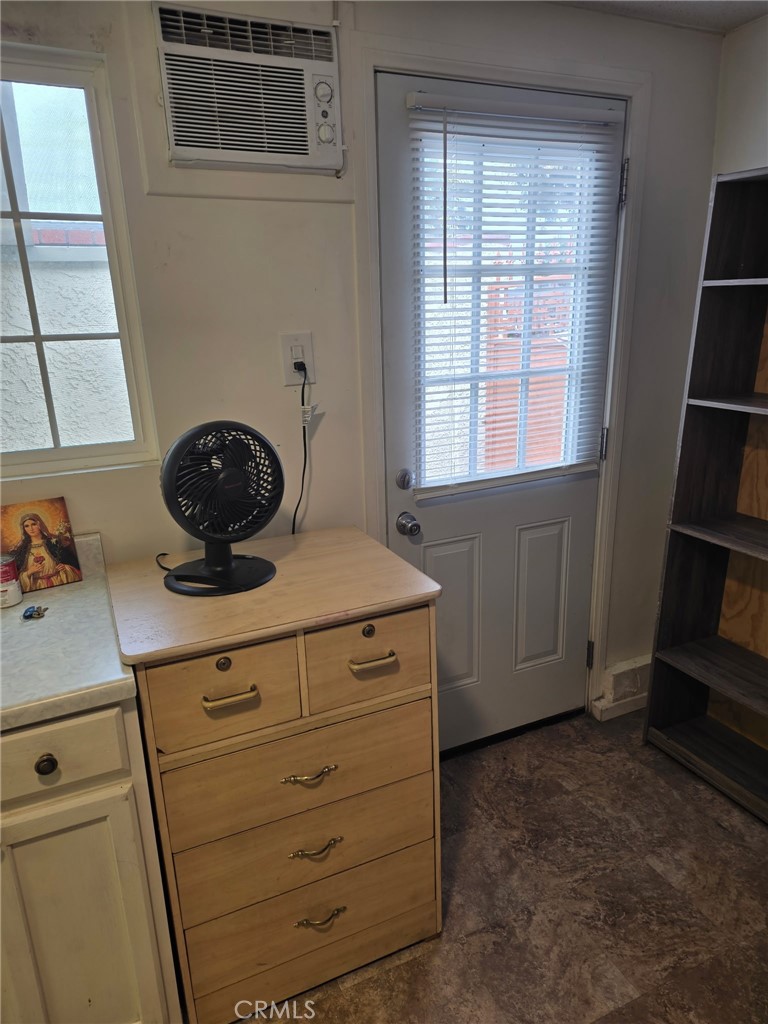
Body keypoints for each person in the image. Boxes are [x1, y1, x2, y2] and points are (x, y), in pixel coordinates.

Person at [11, 512, 82, 592]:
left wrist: (64, 567)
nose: (31, 528)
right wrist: (29, 572)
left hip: (58, 583)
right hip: (35, 588)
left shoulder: (54, 543)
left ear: (40, 525)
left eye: (33, 524)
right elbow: (14, 579)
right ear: (23, 529)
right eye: (26, 526)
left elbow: (73, 563)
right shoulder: (21, 549)